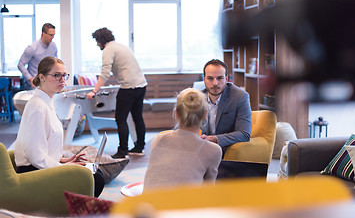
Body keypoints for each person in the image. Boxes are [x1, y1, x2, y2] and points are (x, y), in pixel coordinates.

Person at [14, 56, 104, 197]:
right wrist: (64, 167)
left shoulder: (47, 102)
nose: (62, 80)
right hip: (33, 173)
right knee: (95, 179)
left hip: (41, 167)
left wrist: (62, 160)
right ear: (42, 77)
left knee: (95, 173)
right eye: (57, 75)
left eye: (64, 75)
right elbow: (35, 157)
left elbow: (43, 147)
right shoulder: (37, 107)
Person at [143, 88, 222, 191]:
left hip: (146, 205)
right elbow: (208, 190)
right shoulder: (213, 150)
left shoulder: (158, 140)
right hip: (183, 206)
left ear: (176, 113)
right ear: (205, 114)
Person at [86, 27, 147, 159]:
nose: (97, 44)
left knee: (120, 119)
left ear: (102, 40)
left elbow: (105, 73)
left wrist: (94, 91)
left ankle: (122, 150)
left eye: (97, 41)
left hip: (129, 87)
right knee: (137, 117)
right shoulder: (120, 46)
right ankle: (139, 147)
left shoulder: (108, 49)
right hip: (141, 85)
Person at [200, 59, 252, 155]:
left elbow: (244, 134)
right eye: (210, 78)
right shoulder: (198, 97)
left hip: (226, 151)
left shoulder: (240, 97)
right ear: (204, 79)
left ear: (226, 79)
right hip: (201, 150)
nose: (215, 83)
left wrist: (214, 139)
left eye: (220, 78)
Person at [18, 23, 58, 90]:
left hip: (48, 83)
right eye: (50, 35)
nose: (52, 37)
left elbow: (55, 64)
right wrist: (30, 78)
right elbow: (20, 65)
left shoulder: (53, 47)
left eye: (54, 35)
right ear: (43, 34)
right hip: (34, 84)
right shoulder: (32, 48)